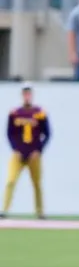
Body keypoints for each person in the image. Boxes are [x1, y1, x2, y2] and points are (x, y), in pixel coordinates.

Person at [3, 86, 49, 219]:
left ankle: (40, 211)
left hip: (34, 154)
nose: (27, 97)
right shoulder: (15, 113)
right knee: (11, 180)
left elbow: (47, 133)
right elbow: (9, 133)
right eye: (25, 94)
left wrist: (39, 149)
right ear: (22, 96)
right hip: (18, 153)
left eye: (29, 94)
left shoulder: (40, 113)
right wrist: (15, 148)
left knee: (37, 183)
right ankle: (4, 209)